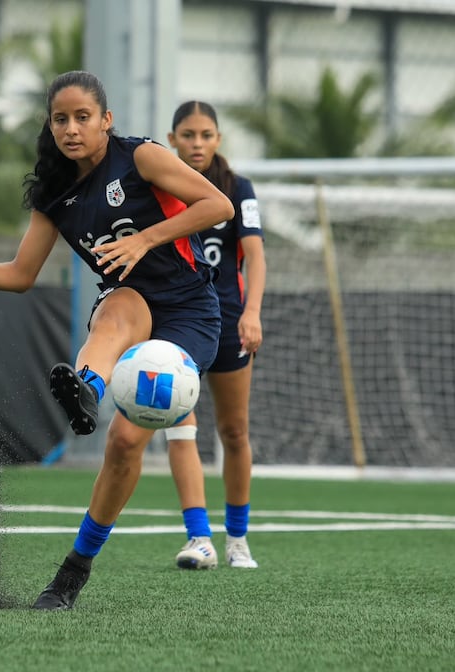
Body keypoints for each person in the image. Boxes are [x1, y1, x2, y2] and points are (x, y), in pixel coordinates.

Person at [0, 70, 234, 610]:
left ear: (106, 121)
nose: (71, 128)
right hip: (130, 303)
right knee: (117, 310)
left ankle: (72, 572)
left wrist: (146, 238)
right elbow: (21, 275)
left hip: (188, 312)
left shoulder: (141, 158)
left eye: (83, 117)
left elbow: (219, 207)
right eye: (60, 119)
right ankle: (86, 387)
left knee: (123, 446)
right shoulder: (54, 194)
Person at [162, 101, 265, 569]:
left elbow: (255, 257)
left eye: (205, 135)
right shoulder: (159, 185)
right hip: (178, 321)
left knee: (234, 430)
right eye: (187, 135)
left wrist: (252, 313)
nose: (196, 143)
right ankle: (198, 538)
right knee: (180, 425)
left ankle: (237, 540)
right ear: (172, 139)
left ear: (218, 140)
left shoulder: (237, 189)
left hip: (228, 321)